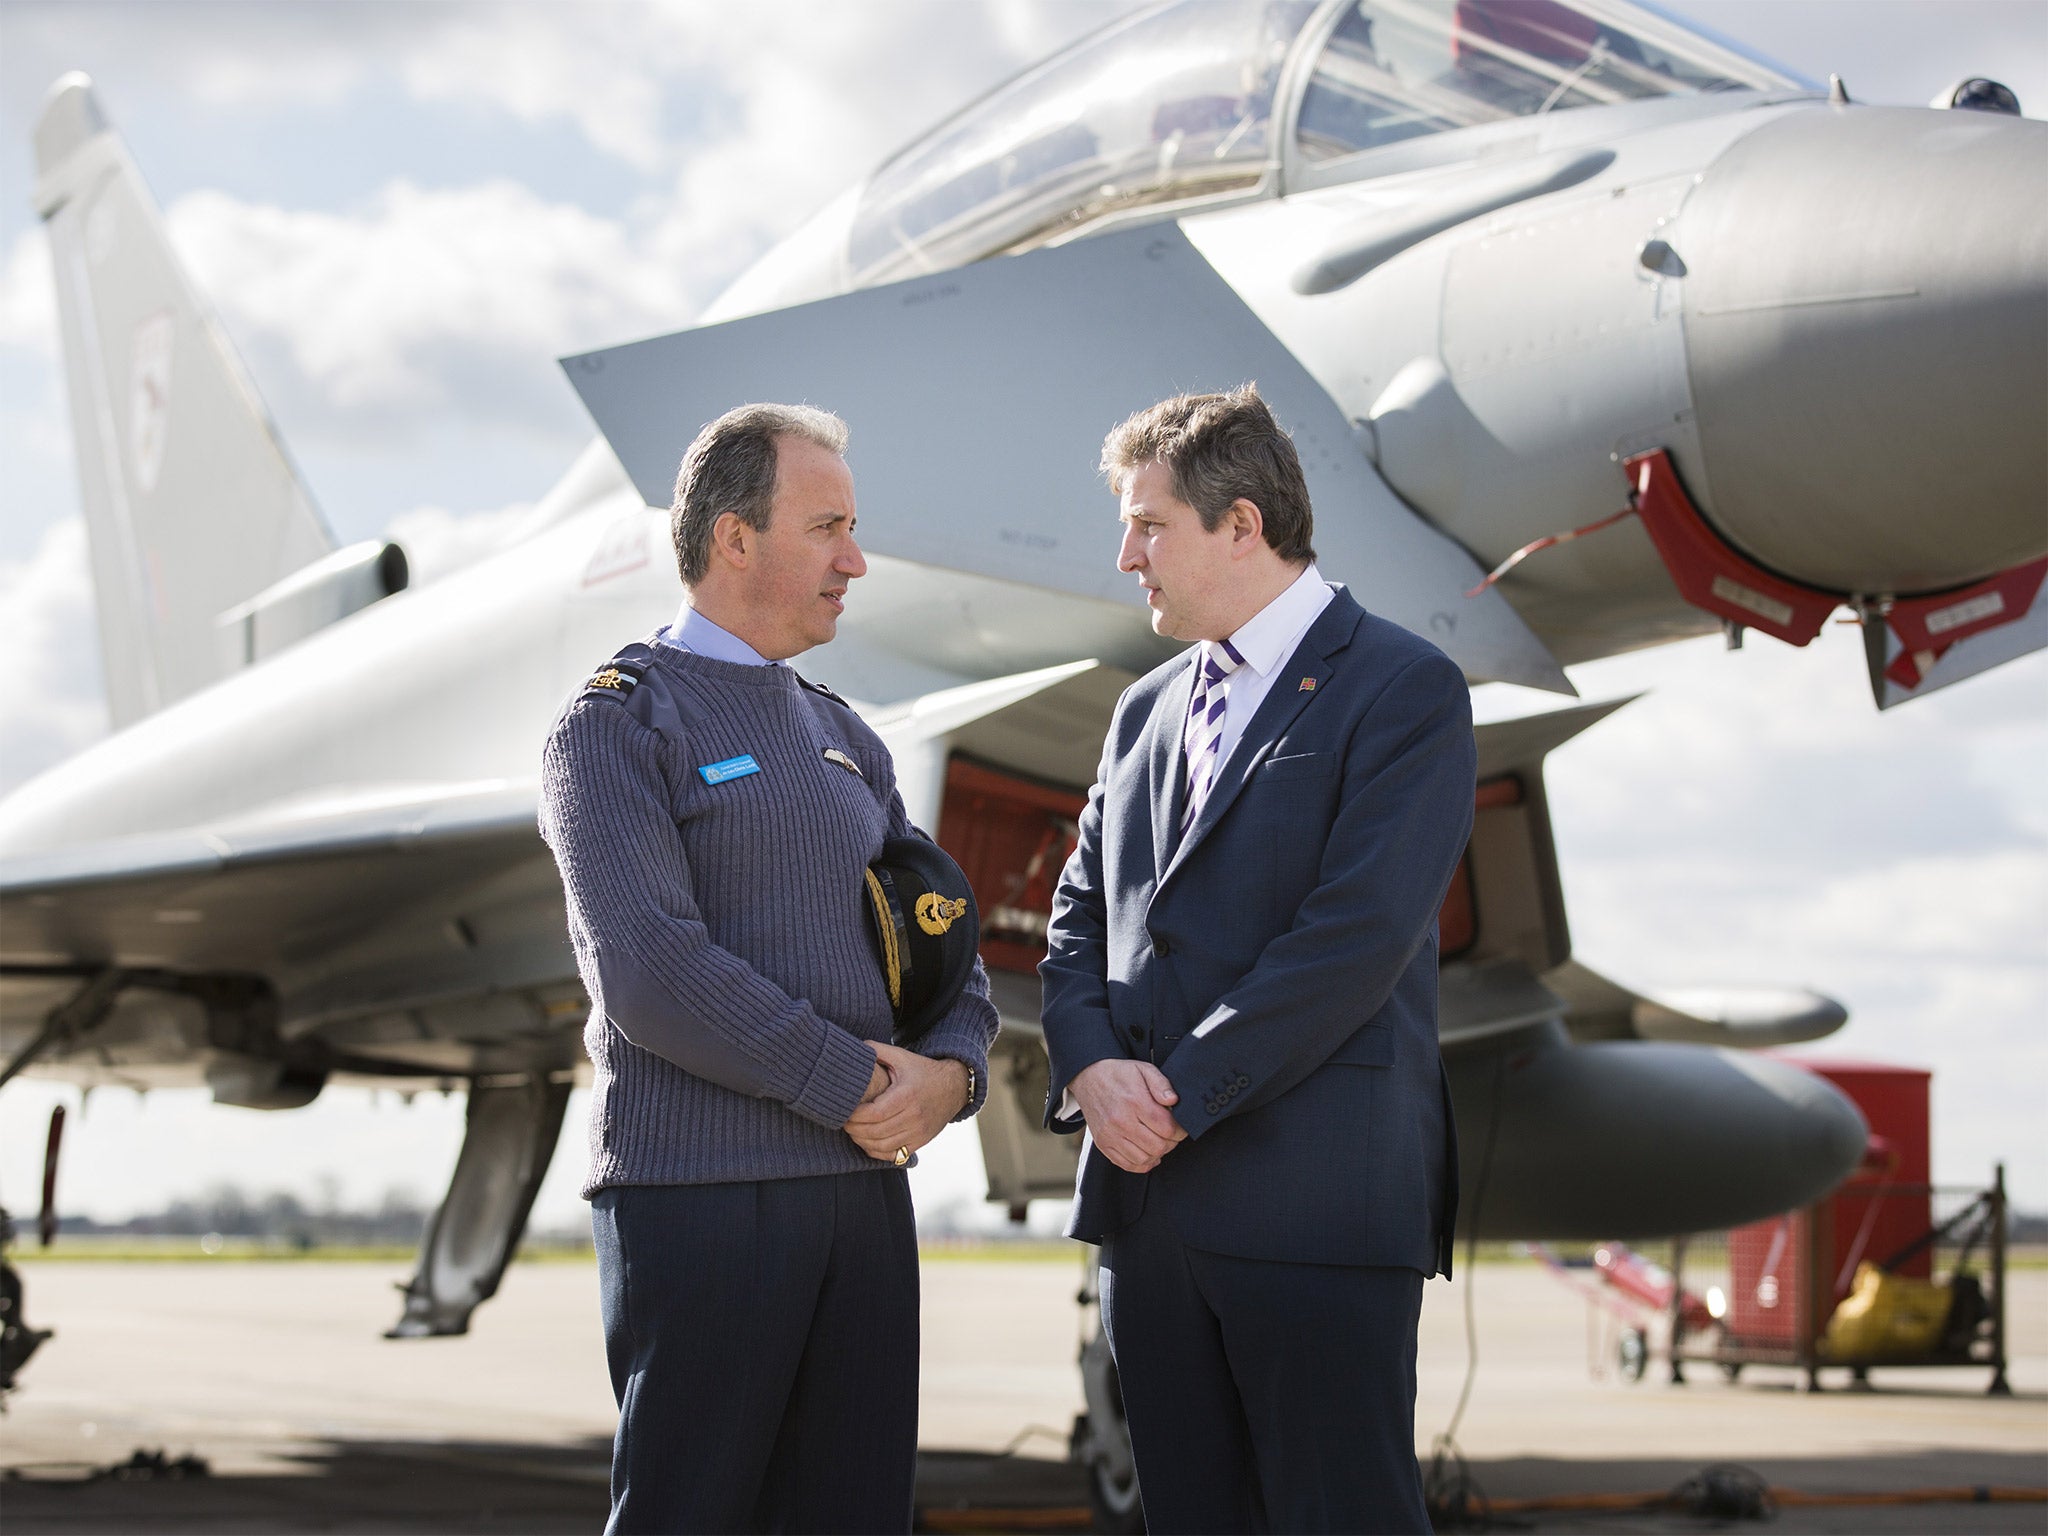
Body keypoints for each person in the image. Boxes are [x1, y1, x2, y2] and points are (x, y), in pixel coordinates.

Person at [540, 402, 999, 1535]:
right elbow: (645, 969)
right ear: (733, 540)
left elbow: (942, 948)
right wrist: (853, 1085)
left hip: (862, 1199)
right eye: (827, 526)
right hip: (701, 1200)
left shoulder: (847, 733)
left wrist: (950, 1077)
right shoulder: (614, 725)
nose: (856, 559)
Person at [1040, 385, 1473, 1534]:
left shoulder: (1403, 688)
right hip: (1150, 1210)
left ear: (1240, 524)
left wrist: (1173, 1096)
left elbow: (1353, 940)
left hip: (1314, 1208)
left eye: (1148, 524)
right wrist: (1088, 1072)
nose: (1124, 552)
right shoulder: (1140, 710)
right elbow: (1078, 915)